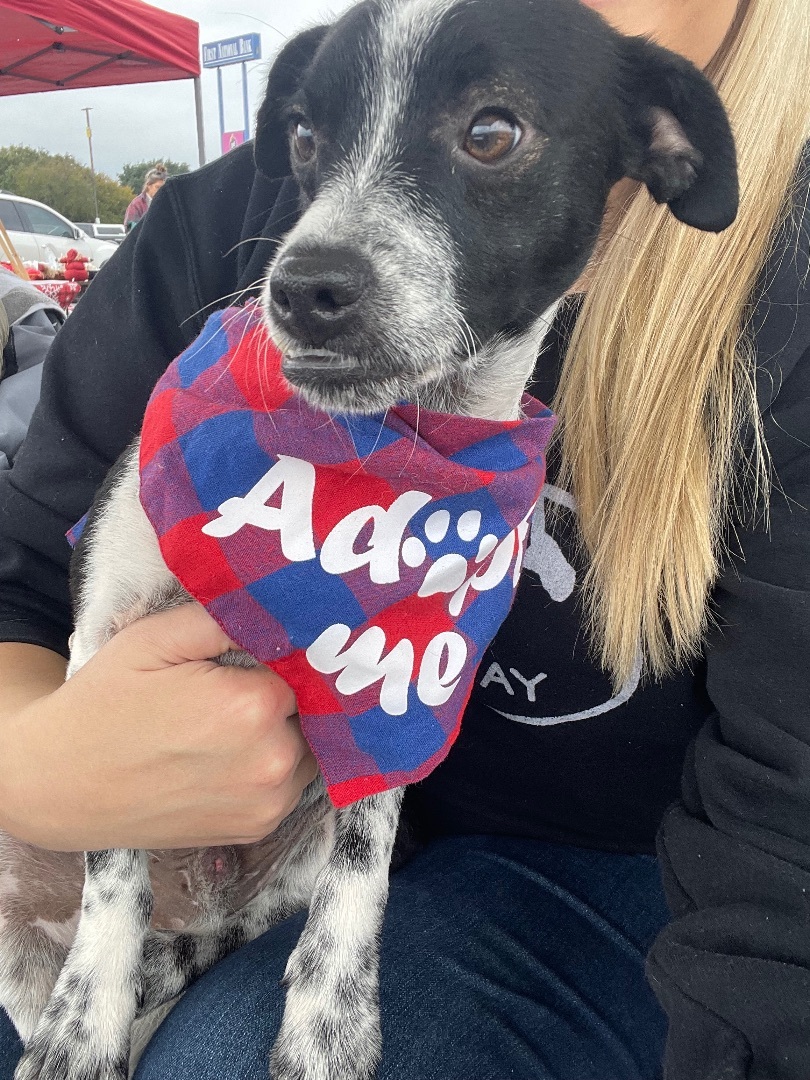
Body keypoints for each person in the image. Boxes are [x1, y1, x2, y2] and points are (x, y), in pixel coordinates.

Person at [0, 0, 807, 1077]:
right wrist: (36, 768)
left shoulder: (781, 286)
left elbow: (782, 827)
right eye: (310, 143)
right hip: (168, 820)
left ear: (663, 142)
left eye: (488, 134)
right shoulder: (221, 233)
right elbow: (18, 576)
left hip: (621, 865)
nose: (311, 256)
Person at [123, 164, 168, 231]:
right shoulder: (136, 204)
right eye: (157, 187)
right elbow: (129, 228)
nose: (161, 191)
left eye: (163, 188)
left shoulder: (167, 204)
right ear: (149, 185)